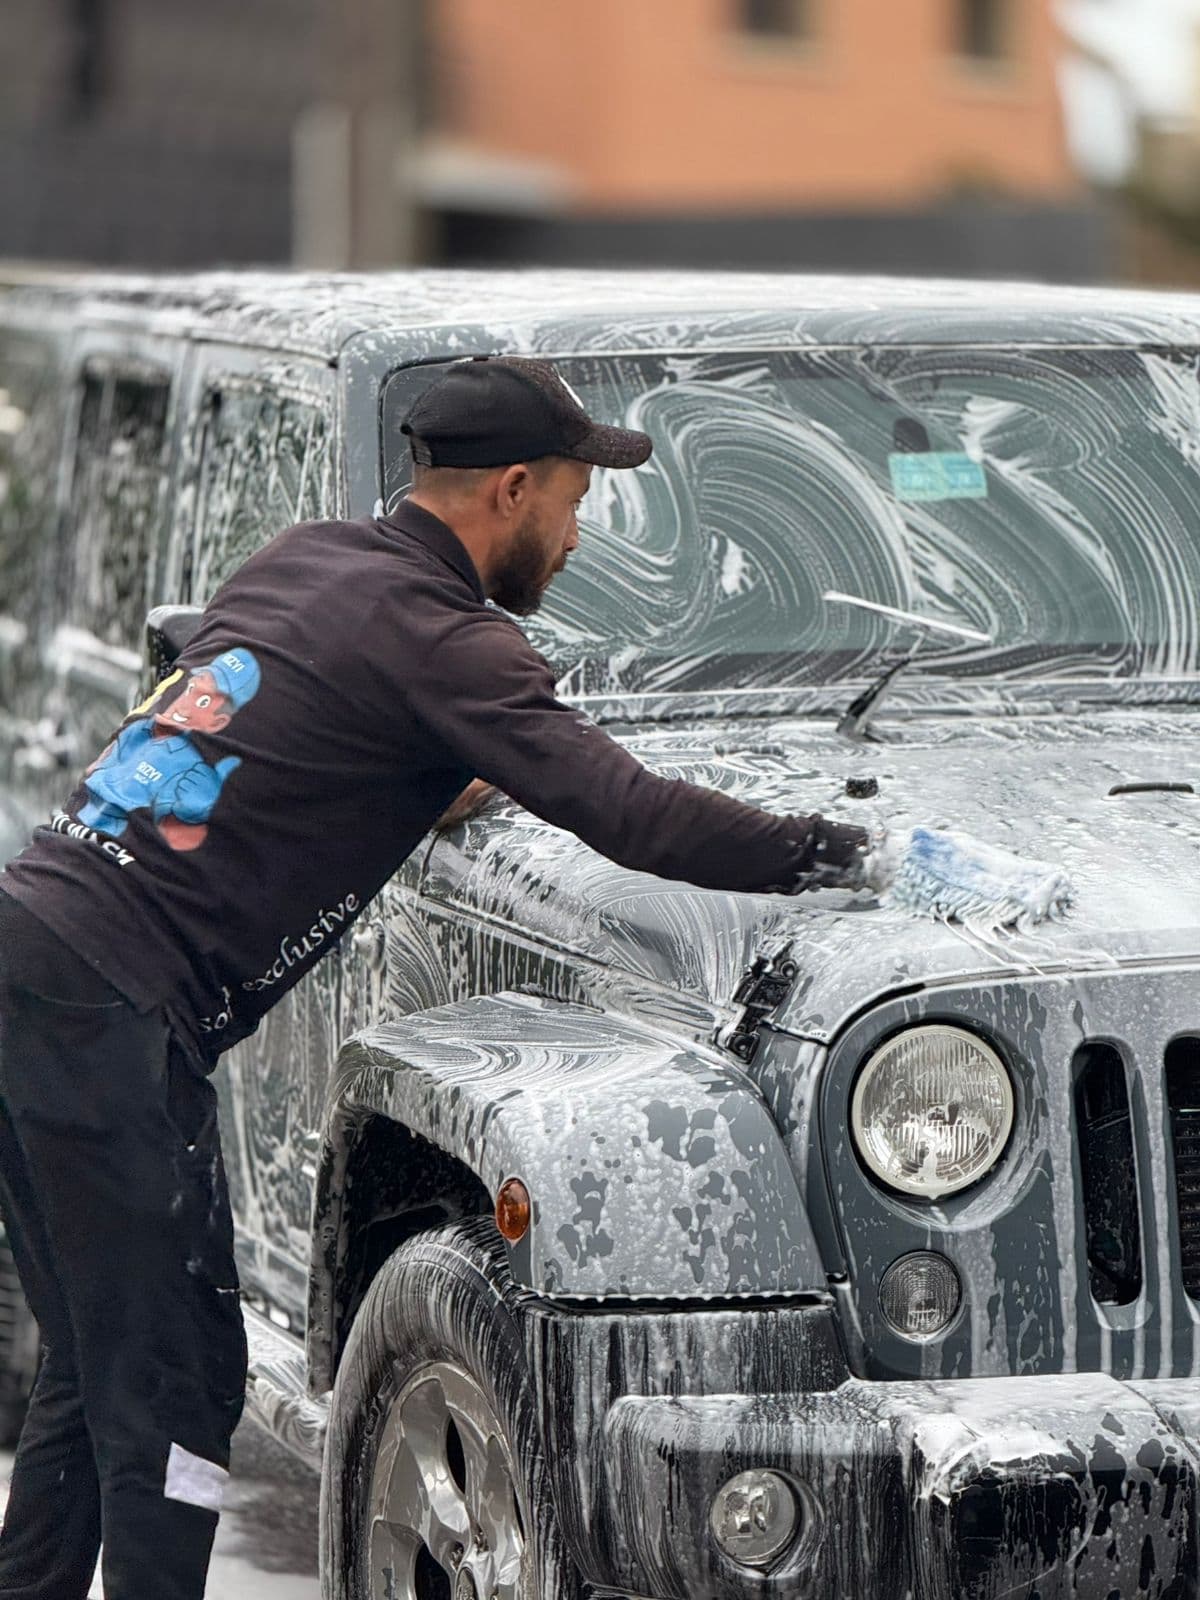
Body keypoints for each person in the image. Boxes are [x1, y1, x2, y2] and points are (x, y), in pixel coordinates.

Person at [0, 355, 872, 1600]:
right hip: (110, 1007)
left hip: (32, 943)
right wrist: (826, 852)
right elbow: (630, 814)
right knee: (179, 1390)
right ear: (512, 489)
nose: (574, 538)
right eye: (573, 503)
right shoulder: (450, 644)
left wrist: (419, 768)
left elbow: (269, 692)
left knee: (92, 1370)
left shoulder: (312, 557)